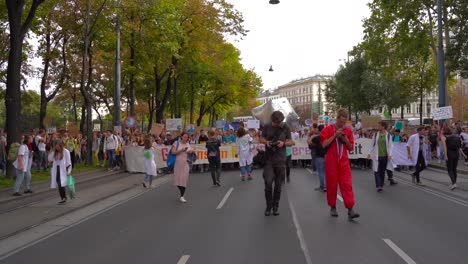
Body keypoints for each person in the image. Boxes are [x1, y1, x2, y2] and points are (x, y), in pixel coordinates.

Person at [320, 109, 360, 220]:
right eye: (341, 121)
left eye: (345, 122)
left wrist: (346, 139)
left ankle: (350, 209)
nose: (343, 124)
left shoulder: (348, 131)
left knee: (347, 185)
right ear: (337, 119)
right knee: (332, 186)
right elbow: (323, 144)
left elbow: (351, 148)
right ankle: (333, 207)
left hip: (344, 163)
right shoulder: (328, 129)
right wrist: (334, 135)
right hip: (331, 162)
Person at [259, 111, 293, 216]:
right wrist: (267, 143)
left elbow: (291, 142)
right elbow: (261, 138)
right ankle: (268, 206)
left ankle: (275, 206)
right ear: (272, 120)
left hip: (281, 160)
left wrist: (283, 143)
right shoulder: (267, 126)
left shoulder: (285, 127)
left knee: (278, 186)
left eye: (279, 123)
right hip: (269, 160)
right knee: (268, 183)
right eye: (275, 123)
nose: (277, 125)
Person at [368, 121, 396, 193]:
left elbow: (390, 146)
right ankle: (378, 186)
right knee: (376, 171)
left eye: (379, 126)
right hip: (377, 156)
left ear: (383, 127)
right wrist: (369, 153)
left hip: (385, 156)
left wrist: (389, 154)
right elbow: (372, 145)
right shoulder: (376, 134)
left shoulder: (388, 135)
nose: (377, 127)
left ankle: (381, 185)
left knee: (382, 172)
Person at [171, 132, 194, 203]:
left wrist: (191, 151)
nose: (185, 138)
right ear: (181, 137)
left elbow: (190, 151)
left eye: (187, 137)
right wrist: (181, 150)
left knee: (184, 179)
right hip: (178, 164)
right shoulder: (176, 143)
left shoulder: (188, 144)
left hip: (185, 163)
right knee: (177, 180)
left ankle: (182, 196)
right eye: (184, 137)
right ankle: (181, 191)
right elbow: (173, 152)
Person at [311, 124, 326, 192]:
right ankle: (324, 185)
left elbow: (310, 143)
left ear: (319, 130)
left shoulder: (317, 138)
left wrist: (310, 136)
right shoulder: (327, 137)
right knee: (325, 172)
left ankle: (323, 186)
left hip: (319, 156)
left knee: (321, 172)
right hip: (327, 156)